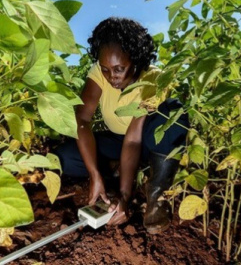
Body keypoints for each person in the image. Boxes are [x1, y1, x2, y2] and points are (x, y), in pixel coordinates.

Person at [55, 17, 188, 233]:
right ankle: (115, 169)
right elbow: (82, 119)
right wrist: (93, 174)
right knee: (66, 157)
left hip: (145, 144)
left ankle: (156, 191)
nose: (111, 77)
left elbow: (134, 140)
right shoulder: (99, 72)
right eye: (106, 70)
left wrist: (125, 196)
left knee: (173, 110)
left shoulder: (153, 78)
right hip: (117, 141)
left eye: (119, 69)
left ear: (135, 60)